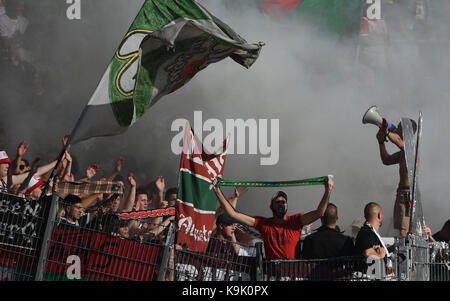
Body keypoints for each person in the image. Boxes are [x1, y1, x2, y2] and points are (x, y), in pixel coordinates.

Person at [212, 176, 334, 260]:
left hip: (292, 275)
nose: (281, 204)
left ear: (287, 206)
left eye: (284, 202)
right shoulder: (264, 224)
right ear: (271, 206)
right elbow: (233, 214)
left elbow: (319, 213)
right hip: (272, 275)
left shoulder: (296, 221)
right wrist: (217, 191)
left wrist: (328, 190)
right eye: (278, 202)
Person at [376, 118, 417, 237]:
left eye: (399, 127)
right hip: (403, 193)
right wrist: (381, 142)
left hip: (406, 194)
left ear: (406, 132)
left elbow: (398, 140)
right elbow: (386, 160)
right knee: (403, 229)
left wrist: (387, 132)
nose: (396, 129)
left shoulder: (410, 148)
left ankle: (406, 253)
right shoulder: (405, 152)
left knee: (404, 230)